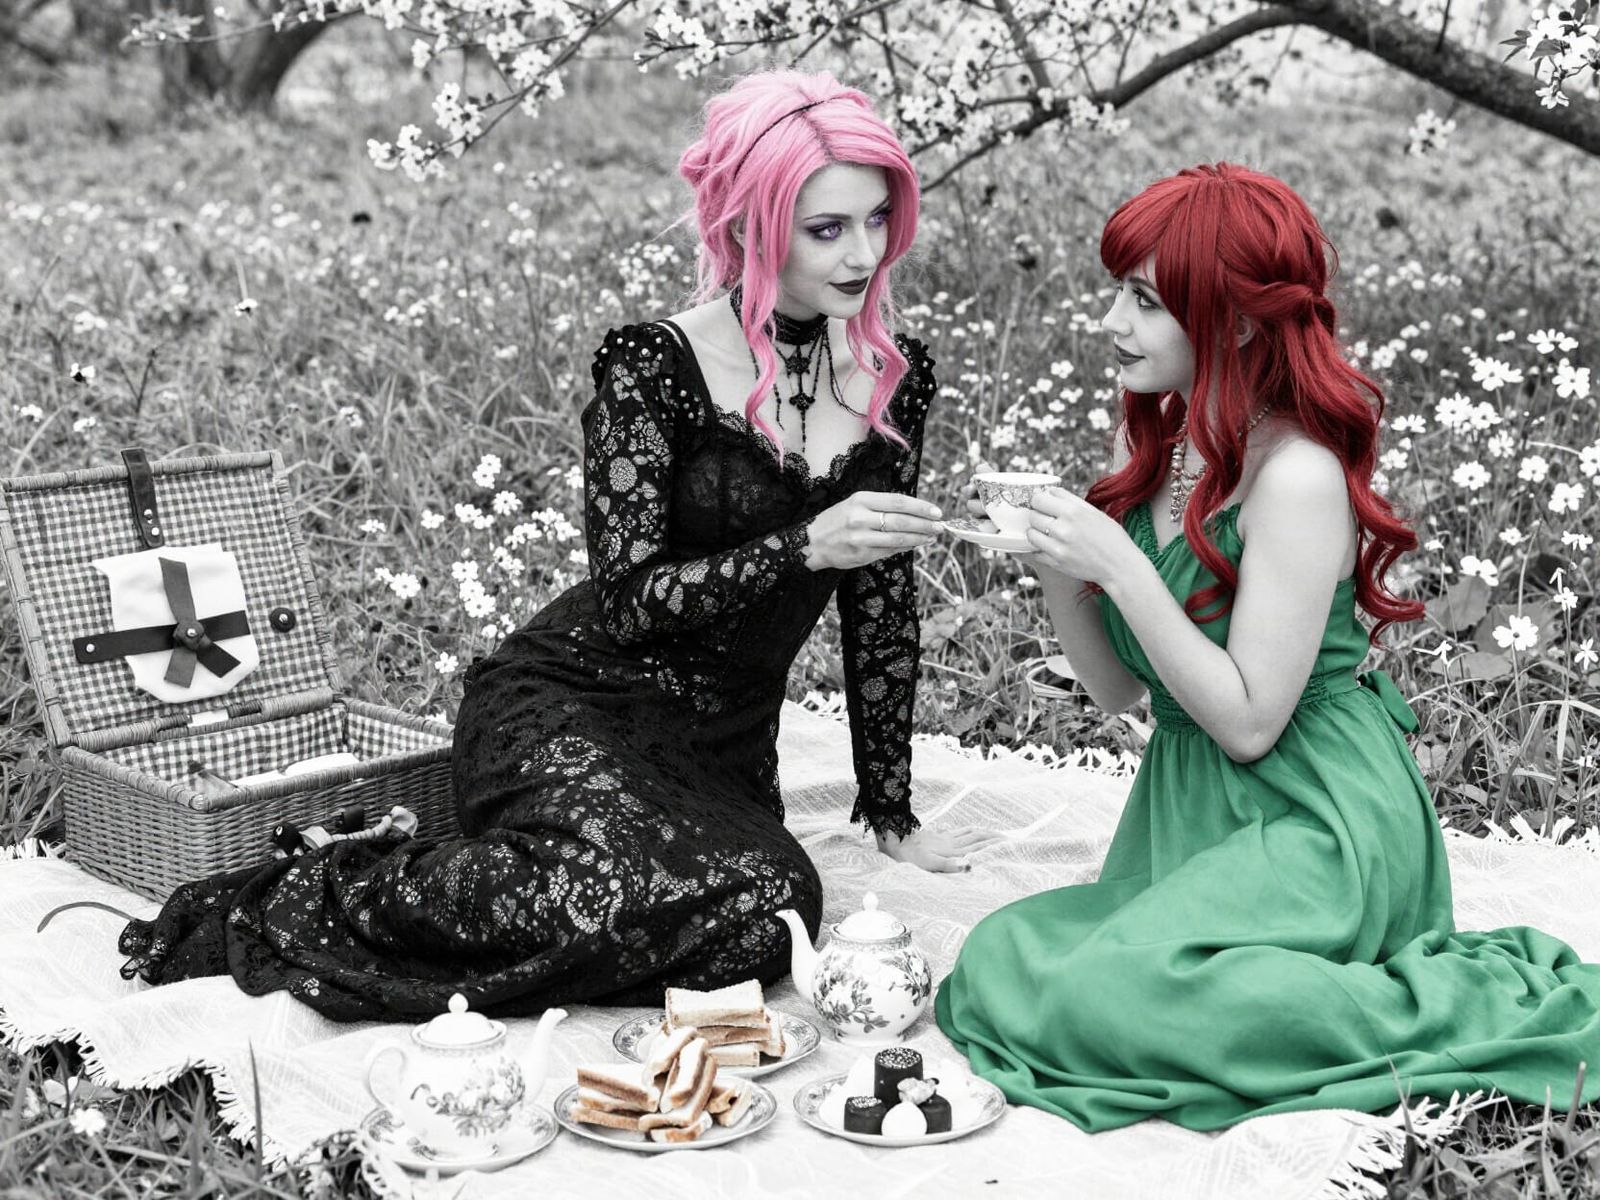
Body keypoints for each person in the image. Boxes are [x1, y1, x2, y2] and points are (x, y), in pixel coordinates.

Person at [118, 69, 994, 1021]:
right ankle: (317, 893)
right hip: (570, 702)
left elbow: (883, 609)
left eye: (875, 219)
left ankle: (468, 870)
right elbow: (629, 599)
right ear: (748, 224)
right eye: (827, 228)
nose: (863, 252)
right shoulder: (654, 365)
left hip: (720, 748)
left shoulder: (893, 379)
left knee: (768, 914)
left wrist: (891, 811)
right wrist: (804, 548)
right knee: (623, 896)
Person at [935, 163, 1600, 1130]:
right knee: (1000, 954)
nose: (1113, 323)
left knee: (1102, 995)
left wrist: (1119, 567)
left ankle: (1445, 1010)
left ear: (1238, 322)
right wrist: (1054, 563)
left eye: (1144, 301)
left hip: (1316, 816)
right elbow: (1122, 691)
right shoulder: (1173, 456)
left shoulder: (1298, 477)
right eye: (1118, 292)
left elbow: (1249, 721)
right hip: (1197, 811)